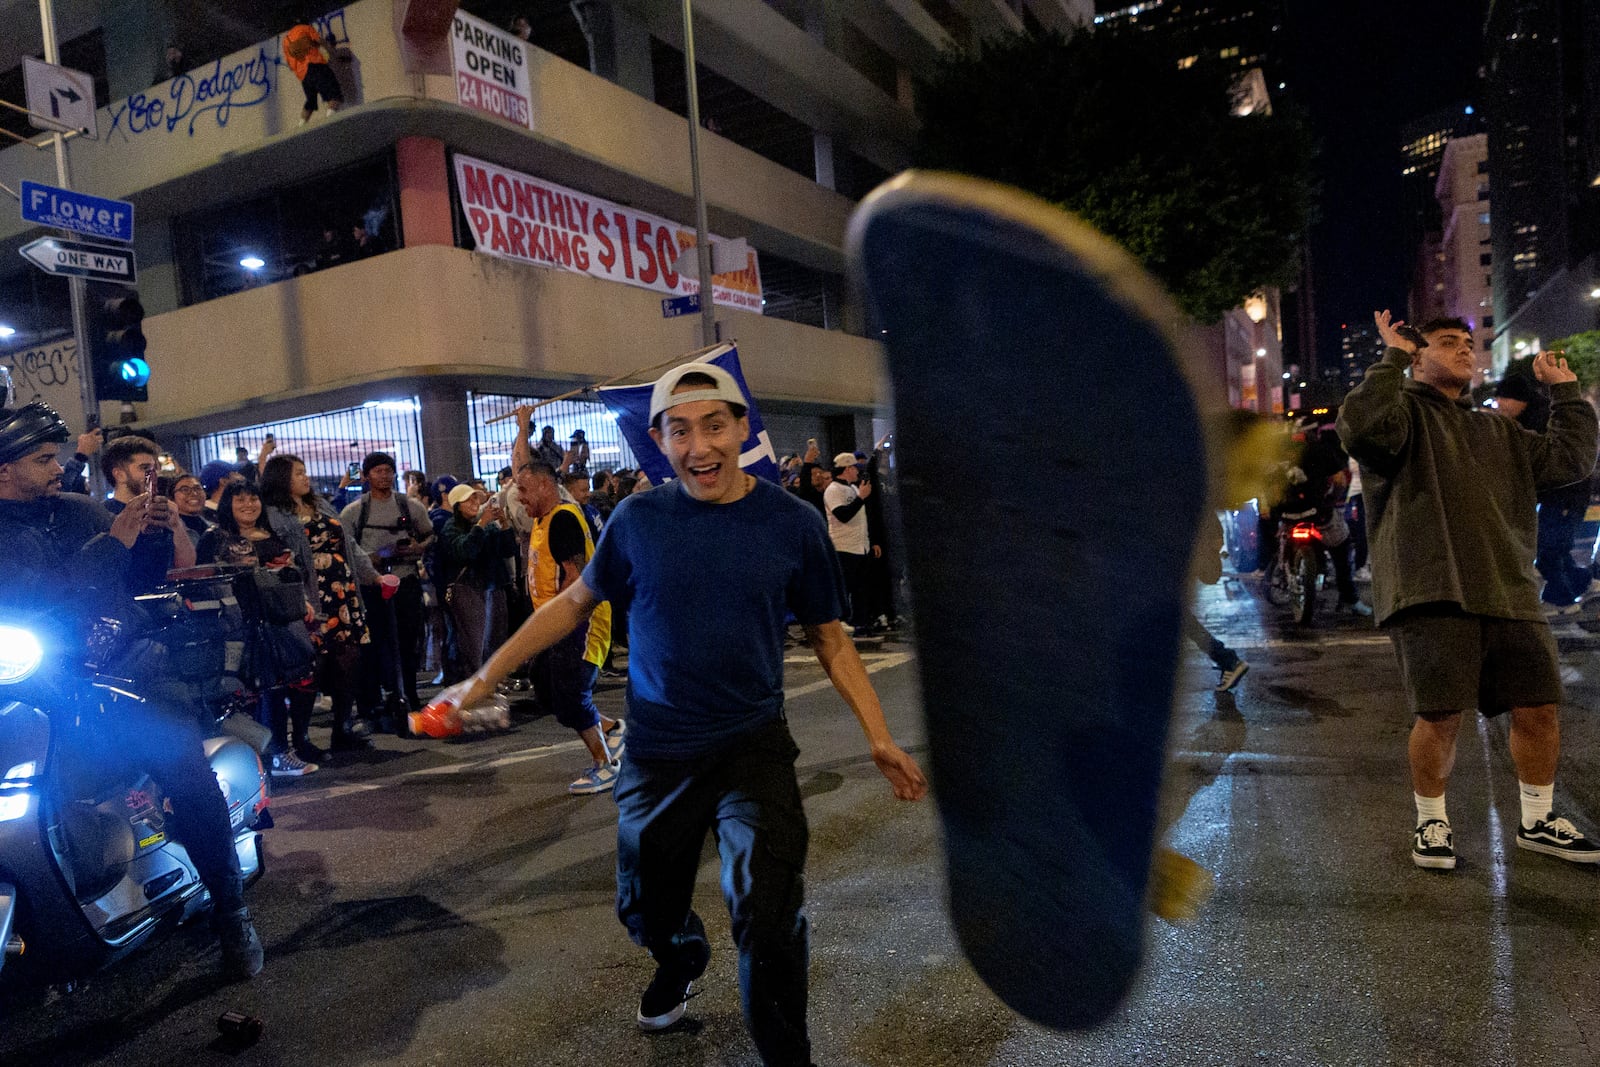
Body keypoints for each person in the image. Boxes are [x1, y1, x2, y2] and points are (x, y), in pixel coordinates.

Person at [440, 362, 926, 1062]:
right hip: (658, 753)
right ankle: (681, 957)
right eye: (680, 430)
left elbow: (830, 638)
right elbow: (571, 604)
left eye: (714, 425)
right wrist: (484, 677)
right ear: (660, 441)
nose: (700, 446)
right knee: (646, 906)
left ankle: (788, 1054)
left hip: (752, 748)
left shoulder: (792, 523)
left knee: (768, 910)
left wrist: (877, 736)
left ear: (741, 428)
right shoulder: (638, 520)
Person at [0, 402, 264, 978]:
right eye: (43, 459)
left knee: (182, 769)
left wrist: (158, 536)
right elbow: (33, 591)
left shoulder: (75, 510)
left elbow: (135, 580)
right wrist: (114, 543)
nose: (57, 467)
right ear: (4, 469)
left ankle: (230, 910)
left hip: (118, 672)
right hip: (30, 682)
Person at [1337, 311, 1600, 870]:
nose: (1463, 351)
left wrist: (1568, 393)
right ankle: (1432, 822)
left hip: (1507, 588)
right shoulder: (1402, 414)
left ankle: (1538, 819)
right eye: (1447, 343)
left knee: (1539, 707)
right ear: (1417, 356)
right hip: (1431, 586)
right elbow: (1360, 429)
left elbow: (1569, 461)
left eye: (1468, 343)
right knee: (1439, 714)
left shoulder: (1497, 428)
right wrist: (1390, 358)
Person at [516, 459, 623, 794]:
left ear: (545, 486)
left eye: (523, 489)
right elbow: (523, 464)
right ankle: (610, 728)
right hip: (557, 624)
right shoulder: (544, 518)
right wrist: (521, 428)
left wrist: (551, 622)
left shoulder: (562, 519)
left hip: (577, 622)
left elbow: (575, 578)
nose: (519, 497)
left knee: (570, 695)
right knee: (547, 689)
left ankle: (605, 764)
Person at [198, 482, 319, 776]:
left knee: (280, 686)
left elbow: (291, 576)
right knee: (244, 694)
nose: (249, 505)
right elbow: (204, 579)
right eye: (240, 500)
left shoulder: (271, 534)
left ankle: (280, 752)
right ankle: (255, 758)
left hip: (277, 621)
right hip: (236, 624)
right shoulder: (216, 537)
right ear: (228, 505)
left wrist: (302, 600)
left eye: (253, 499)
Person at [262, 454, 377, 752]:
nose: (305, 477)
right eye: (298, 473)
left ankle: (343, 727)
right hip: (312, 592)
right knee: (313, 665)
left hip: (343, 589)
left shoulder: (321, 504)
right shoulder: (273, 513)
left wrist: (373, 576)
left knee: (348, 659)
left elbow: (348, 544)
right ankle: (300, 738)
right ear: (281, 477)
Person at [1494, 372, 1596, 615]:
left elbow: (1558, 460)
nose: (1499, 405)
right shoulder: (1528, 418)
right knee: (1553, 546)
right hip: (1555, 496)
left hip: (1566, 495)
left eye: (1503, 399)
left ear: (1520, 399)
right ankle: (1583, 580)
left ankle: (1562, 600)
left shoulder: (1541, 419)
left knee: (1548, 548)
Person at [340, 451, 433, 718]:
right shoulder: (355, 511)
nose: (384, 476)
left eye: (388, 471)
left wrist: (416, 548)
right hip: (371, 587)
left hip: (405, 582)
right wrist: (373, 560)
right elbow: (345, 546)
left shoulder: (410, 506)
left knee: (407, 641)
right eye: (378, 471)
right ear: (367, 475)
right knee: (373, 643)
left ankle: (408, 693)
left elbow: (429, 536)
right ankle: (373, 701)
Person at [437, 483, 518, 676]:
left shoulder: (487, 524)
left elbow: (508, 550)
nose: (475, 502)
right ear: (458, 504)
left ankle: (493, 681)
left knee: (496, 637)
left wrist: (504, 523)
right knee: (474, 641)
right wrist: (482, 524)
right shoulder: (451, 527)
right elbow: (465, 551)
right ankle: (475, 684)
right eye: (469, 499)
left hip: (494, 586)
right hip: (468, 589)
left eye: (476, 498)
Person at [102, 434, 197, 589]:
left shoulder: (163, 511)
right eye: (145, 468)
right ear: (119, 474)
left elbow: (186, 567)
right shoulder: (103, 514)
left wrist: (177, 526)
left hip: (166, 601)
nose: (153, 475)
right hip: (128, 606)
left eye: (155, 469)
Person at [823, 451, 879, 636]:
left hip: (860, 546)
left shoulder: (853, 489)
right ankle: (841, 621)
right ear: (847, 468)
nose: (857, 472)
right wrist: (861, 498)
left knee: (861, 589)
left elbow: (863, 518)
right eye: (855, 467)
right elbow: (843, 515)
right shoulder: (833, 490)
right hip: (843, 547)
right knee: (845, 588)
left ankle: (861, 622)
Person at [282, 14, 343, 126]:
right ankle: (331, 122)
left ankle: (301, 126)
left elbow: (290, 65)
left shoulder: (286, 40)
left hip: (303, 75)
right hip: (315, 65)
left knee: (310, 101)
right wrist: (332, 52)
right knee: (334, 94)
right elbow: (320, 40)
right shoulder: (306, 28)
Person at [170, 471, 215, 547]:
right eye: (185, 490)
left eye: (197, 488)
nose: (194, 493)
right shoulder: (170, 530)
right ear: (172, 498)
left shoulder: (214, 526)